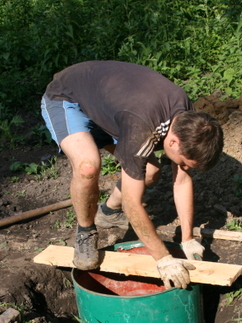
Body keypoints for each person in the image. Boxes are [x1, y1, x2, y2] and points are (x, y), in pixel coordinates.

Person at [40, 61, 223, 289]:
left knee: (151, 171)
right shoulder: (143, 127)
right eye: (183, 161)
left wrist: (187, 239)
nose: (183, 166)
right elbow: (132, 203)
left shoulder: (190, 121)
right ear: (173, 141)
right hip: (68, 98)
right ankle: (85, 231)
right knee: (88, 167)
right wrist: (163, 259)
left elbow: (182, 178)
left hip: (109, 106)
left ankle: (107, 212)